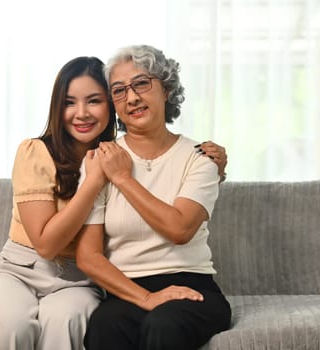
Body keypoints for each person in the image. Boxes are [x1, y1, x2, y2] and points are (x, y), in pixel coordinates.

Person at [0, 55, 228, 350]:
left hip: (79, 281)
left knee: (68, 321)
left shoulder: (114, 155)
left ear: (109, 106)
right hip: (21, 267)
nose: (82, 113)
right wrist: (93, 181)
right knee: (10, 326)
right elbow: (47, 245)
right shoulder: (42, 152)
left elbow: (167, 169)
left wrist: (215, 166)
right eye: (69, 102)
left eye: (94, 101)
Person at [76, 45, 232, 350]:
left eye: (142, 83)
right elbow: (88, 256)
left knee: (164, 326)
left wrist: (122, 177)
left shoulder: (201, 158)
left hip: (193, 287)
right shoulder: (100, 160)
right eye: (119, 91)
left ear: (167, 89)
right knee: (105, 326)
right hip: (127, 290)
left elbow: (180, 229)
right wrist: (146, 297)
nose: (132, 97)